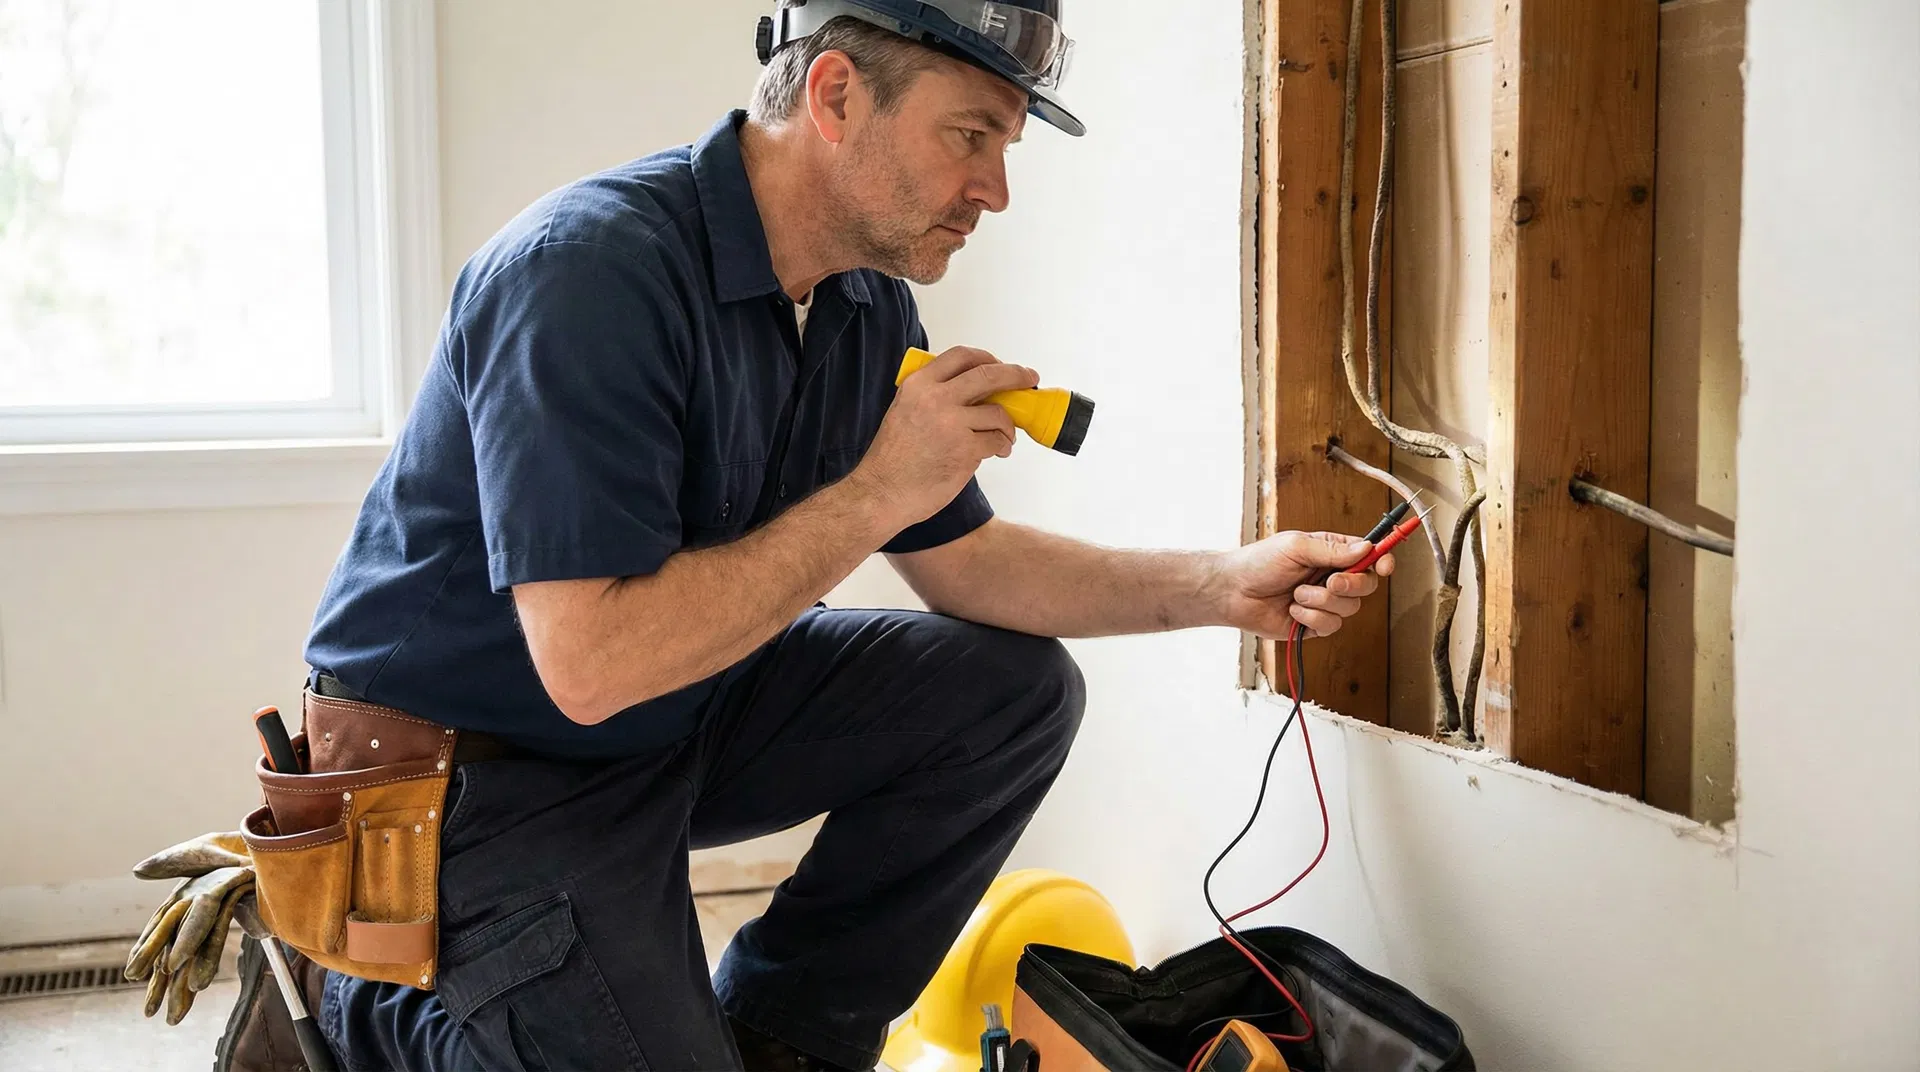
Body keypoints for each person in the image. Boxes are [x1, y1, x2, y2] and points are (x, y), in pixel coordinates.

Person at [216, 2, 1394, 1069]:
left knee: (1009, 693)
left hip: (667, 714)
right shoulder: (587, 274)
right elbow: (590, 666)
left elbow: (969, 566)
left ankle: (781, 1043)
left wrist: (1224, 584)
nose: (995, 190)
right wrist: (881, 486)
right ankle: (357, 1004)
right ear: (834, 96)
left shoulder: (861, 301)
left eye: (1005, 149)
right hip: (467, 777)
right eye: (970, 136)